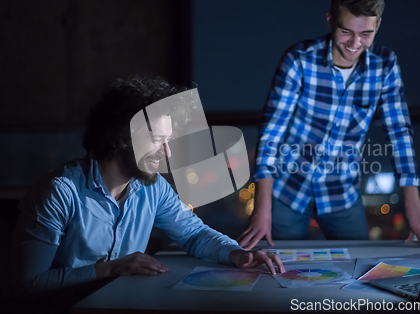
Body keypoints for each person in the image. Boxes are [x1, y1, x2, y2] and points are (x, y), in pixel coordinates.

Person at [10, 75, 284, 301]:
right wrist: (110, 269)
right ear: (121, 136)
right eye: (157, 139)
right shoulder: (60, 191)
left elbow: (193, 233)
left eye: (169, 141)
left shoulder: (152, 187)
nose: (167, 152)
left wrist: (238, 254)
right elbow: (30, 284)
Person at [238, 0, 420, 249]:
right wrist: (262, 208)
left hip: (342, 194)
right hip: (287, 191)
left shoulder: (385, 65)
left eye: (366, 33)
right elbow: (271, 133)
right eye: (346, 31)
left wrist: (413, 205)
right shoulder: (299, 59)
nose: (355, 44)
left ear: (377, 26)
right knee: (275, 270)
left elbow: (399, 134)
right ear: (330, 21)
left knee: (359, 271)